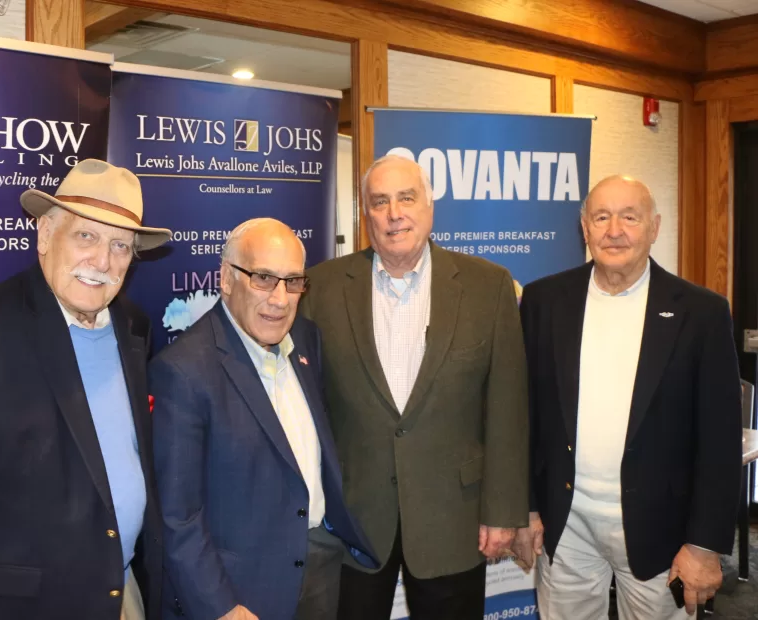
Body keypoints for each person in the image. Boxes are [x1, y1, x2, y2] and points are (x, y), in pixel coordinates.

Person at [0, 159, 172, 620]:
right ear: (45, 234)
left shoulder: (134, 327)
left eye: (120, 245)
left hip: (123, 593)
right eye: (86, 236)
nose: (102, 261)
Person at [299, 154, 529, 619]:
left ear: (429, 207)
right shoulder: (320, 287)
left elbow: (508, 405)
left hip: (454, 517)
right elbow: (305, 403)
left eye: (407, 197)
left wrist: (503, 509)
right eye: (379, 202)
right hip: (355, 519)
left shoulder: (489, 286)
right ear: (366, 216)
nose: (394, 213)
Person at [513, 175, 741, 619]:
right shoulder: (543, 301)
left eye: (629, 217)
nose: (614, 230)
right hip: (566, 523)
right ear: (585, 227)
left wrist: (704, 544)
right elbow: (524, 415)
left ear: (654, 228)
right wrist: (526, 507)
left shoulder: (702, 313)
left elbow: (719, 439)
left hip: (663, 531)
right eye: (601, 217)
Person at [150, 218, 378, 620]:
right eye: (263, 278)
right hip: (240, 590)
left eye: (293, 282)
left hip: (319, 566)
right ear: (225, 279)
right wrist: (220, 606)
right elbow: (177, 515)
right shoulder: (183, 371)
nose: (280, 298)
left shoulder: (306, 338)